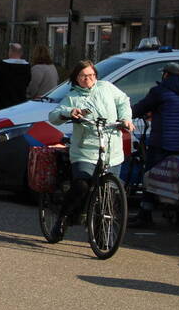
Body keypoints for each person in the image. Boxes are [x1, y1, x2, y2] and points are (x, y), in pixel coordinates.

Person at [48, 60, 133, 240]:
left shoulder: (106, 87)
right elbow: (54, 116)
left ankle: (103, 232)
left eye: (91, 75)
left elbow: (123, 101)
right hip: (84, 151)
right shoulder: (72, 96)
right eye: (83, 76)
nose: (88, 79)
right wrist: (70, 112)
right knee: (81, 185)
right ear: (76, 78)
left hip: (111, 149)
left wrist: (125, 118)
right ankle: (63, 219)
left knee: (110, 191)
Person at [129, 62, 179, 227]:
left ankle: (145, 214)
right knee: (176, 175)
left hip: (163, 141)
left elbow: (140, 108)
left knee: (152, 174)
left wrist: (127, 113)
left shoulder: (159, 91)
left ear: (166, 74)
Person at [0, 42, 31, 110]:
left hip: (3, 100)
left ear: (10, 52)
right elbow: (28, 81)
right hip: (20, 100)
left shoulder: (3, 65)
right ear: (21, 53)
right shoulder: (26, 67)